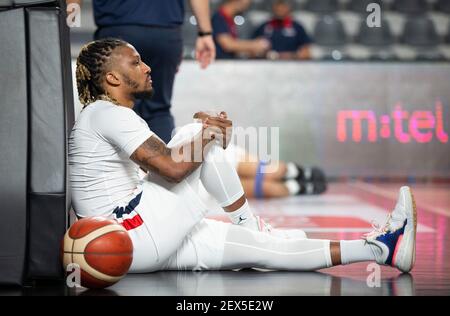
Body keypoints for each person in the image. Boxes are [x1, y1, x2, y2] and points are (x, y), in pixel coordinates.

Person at [69, 39, 417, 274]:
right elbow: (174, 168)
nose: (146, 67)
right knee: (192, 137)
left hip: (134, 247)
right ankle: (249, 221)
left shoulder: (105, 115)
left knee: (264, 251)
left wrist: (207, 139)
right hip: (123, 235)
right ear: (112, 77)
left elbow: (165, 170)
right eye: (136, 62)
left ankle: (380, 248)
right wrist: (208, 134)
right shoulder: (105, 112)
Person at [67, 0, 215, 143]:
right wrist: (205, 33)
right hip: (165, 31)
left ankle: (123, 167)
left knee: (114, 109)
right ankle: (164, 165)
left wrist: (67, 26)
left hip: (117, 28)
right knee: (159, 110)